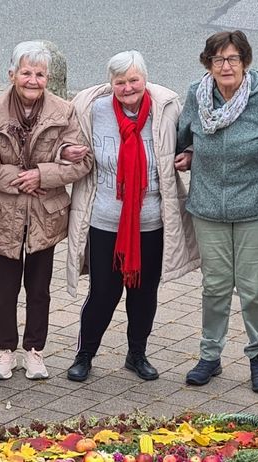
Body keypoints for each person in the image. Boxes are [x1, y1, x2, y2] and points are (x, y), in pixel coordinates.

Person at [65, 50, 200, 382]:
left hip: (152, 221)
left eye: (134, 80)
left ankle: (136, 354)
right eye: (120, 82)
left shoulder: (166, 108)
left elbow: (190, 138)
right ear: (111, 83)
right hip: (104, 220)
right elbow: (64, 141)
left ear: (145, 79)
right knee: (103, 293)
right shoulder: (92, 109)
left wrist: (189, 153)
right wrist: (66, 151)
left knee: (144, 293)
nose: (127, 88)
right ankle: (84, 355)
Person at [0, 40, 92, 381]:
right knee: (4, 289)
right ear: (12, 74)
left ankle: (35, 351)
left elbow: (84, 161)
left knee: (39, 289)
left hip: (45, 214)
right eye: (26, 73)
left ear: (47, 78)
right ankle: (5, 350)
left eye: (39, 74)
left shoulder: (64, 111)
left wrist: (43, 174)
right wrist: (15, 176)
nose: (32, 80)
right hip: (2, 213)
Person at [176, 30, 258, 392]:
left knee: (253, 289)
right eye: (218, 59)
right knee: (215, 287)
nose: (226, 66)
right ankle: (210, 356)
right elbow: (182, 137)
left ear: (245, 62)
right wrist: (188, 153)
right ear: (208, 63)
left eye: (233, 58)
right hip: (208, 208)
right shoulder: (196, 94)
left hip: (253, 209)